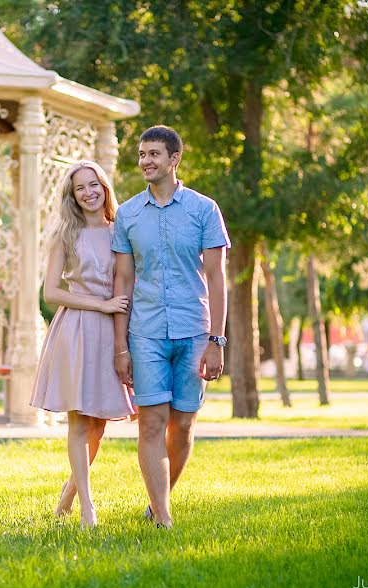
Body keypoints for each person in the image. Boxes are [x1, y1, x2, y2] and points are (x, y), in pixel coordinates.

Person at [112, 125, 230, 529]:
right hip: (145, 333)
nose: (146, 161)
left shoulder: (203, 209)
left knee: (182, 426)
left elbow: (216, 278)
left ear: (174, 158)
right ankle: (162, 517)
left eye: (154, 154)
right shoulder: (127, 214)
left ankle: (156, 504)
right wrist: (121, 346)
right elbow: (123, 282)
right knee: (150, 422)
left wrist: (216, 339)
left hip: (194, 332)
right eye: (142, 154)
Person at [30, 159, 135, 529]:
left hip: (114, 330)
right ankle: (86, 507)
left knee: (100, 423)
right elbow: (52, 292)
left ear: (105, 187)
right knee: (78, 420)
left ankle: (69, 492)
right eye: (80, 188)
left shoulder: (121, 229)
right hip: (77, 328)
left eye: (95, 185)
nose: (89, 192)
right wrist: (100, 304)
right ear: (72, 195)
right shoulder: (66, 233)